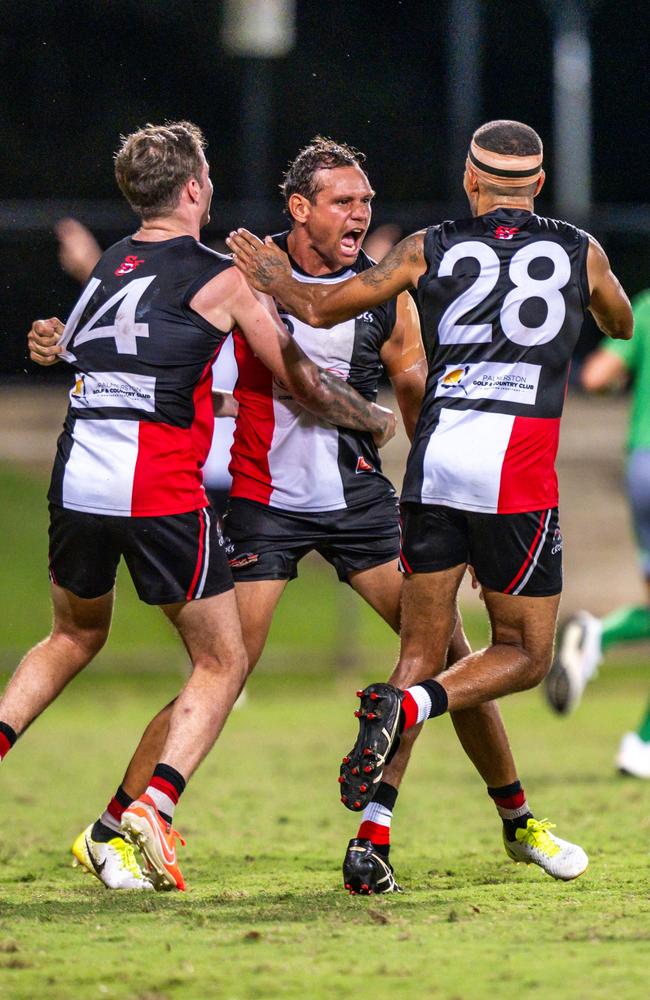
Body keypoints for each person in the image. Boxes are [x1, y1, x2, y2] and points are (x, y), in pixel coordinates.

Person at [31, 136, 569, 895]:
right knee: (220, 669)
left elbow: (417, 409)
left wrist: (459, 518)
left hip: (359, 506)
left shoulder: (386, 297)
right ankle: (112, 827)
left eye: (368, 203)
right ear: (299, 208)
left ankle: (518, 822)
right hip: (263, 505)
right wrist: (62, 337)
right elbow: (142, 311)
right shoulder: (240, 274)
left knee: (449, 653)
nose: (360, 214)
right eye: (344, 201)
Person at [227, 119, 634, 881]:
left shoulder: (426, 247)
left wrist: (278, 283)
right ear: (540, 185)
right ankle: (408, 710)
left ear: (471, 183)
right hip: (514, 471)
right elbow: (621, 322)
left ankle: (372, 837)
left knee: (421, 651)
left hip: (437, 462)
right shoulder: (580, 248)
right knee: (522, 653)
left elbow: (321, 310)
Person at [9, 120, 395, 894]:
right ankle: (151, 807)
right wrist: (370, 418)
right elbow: (295, 376)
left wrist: (50, 338)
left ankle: (113, 821)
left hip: (78, 476)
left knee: (71, 635)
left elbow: (75, 347)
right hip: (156, 488)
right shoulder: (225, 274)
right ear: (193, 189)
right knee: (223, 663)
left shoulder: (112, 266)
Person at [545, 290, 650, 778]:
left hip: (642, 464)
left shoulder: (647, 305)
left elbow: (595, 376)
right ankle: (600, 637)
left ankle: (642, 745)